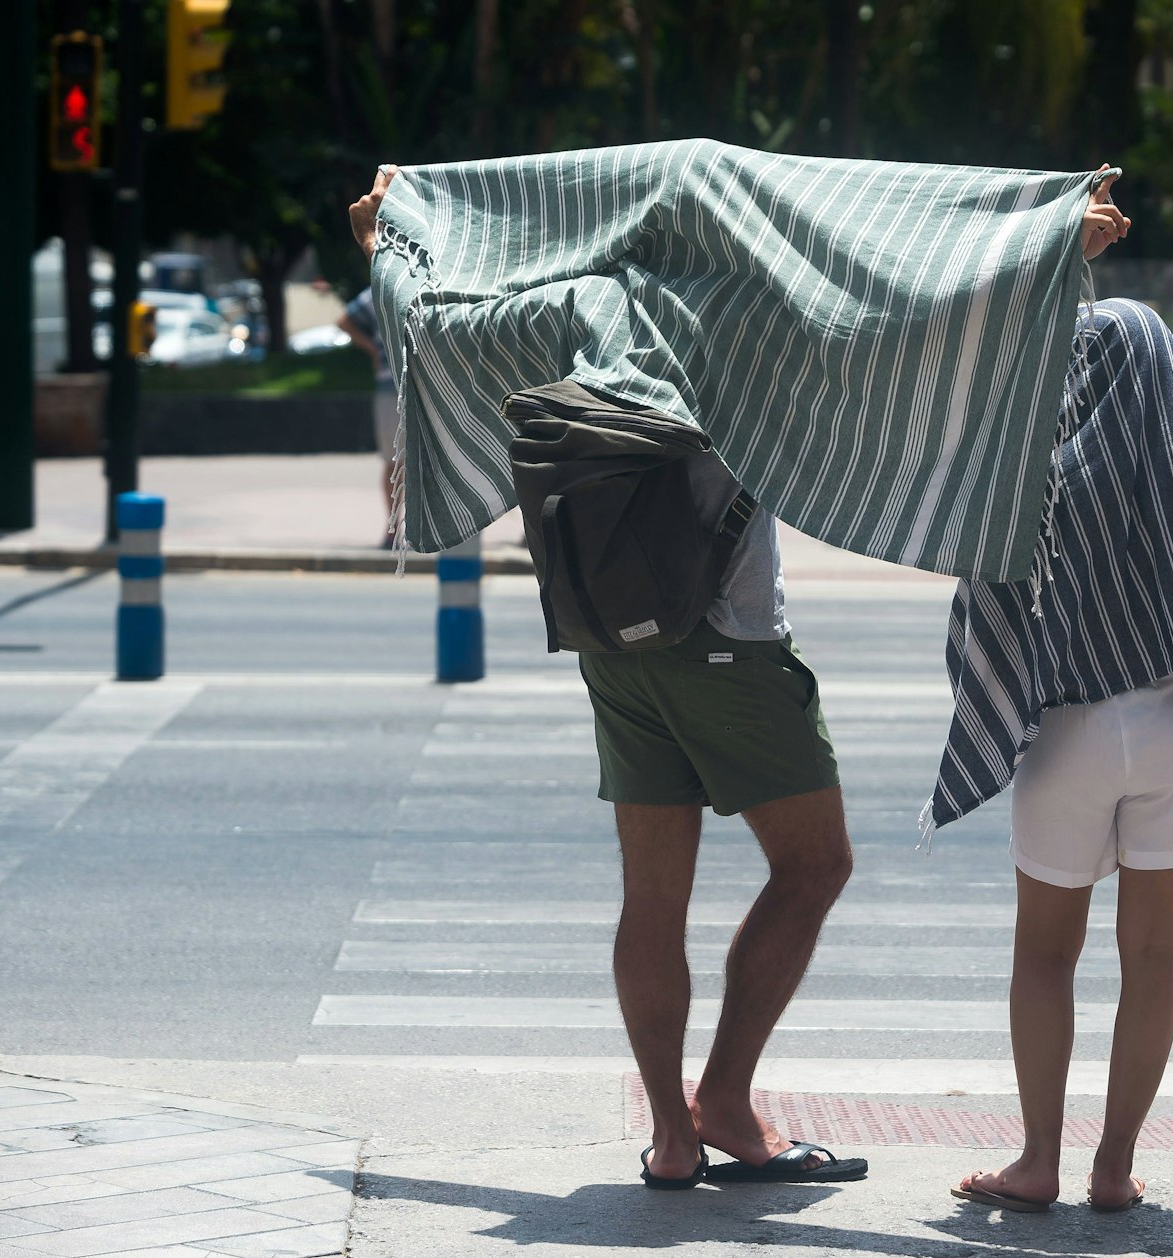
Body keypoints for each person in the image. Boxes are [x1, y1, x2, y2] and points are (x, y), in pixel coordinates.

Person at [349, 165, 865, 1189]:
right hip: (725, 636)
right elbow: (904, 307)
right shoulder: (747, 309)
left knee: (651, 897)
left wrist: (387, 240)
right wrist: (1050, 245)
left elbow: (445, 322)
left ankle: (673, 1139)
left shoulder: (582, 306)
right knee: (816, 866)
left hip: (611, 639)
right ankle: (720, 1099)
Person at [938, 186, 1173, 1214]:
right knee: (1155, 956)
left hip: (1065, 730)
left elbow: (979, 590)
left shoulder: (1018, 430)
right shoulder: (1156, 380)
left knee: (1044, 949)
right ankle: (1111, 1165)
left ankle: (1035, 1158)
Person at [336, 286, 401, 548]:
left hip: (427, 384)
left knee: (402, 461)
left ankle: (402, 528)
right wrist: (374, 349)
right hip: (391, 384)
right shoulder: (381, 288)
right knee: (394, 460)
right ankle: (393, 527)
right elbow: (344, 321)